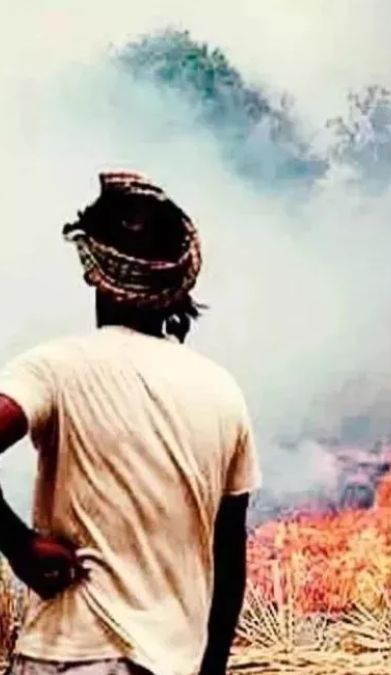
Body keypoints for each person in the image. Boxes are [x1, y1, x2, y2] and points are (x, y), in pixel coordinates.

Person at [0, 172, 261, 675]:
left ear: (92, 269)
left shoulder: (54, 369)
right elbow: (229, 563)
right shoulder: (222, 391)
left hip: (71, 659)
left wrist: (19, 546)